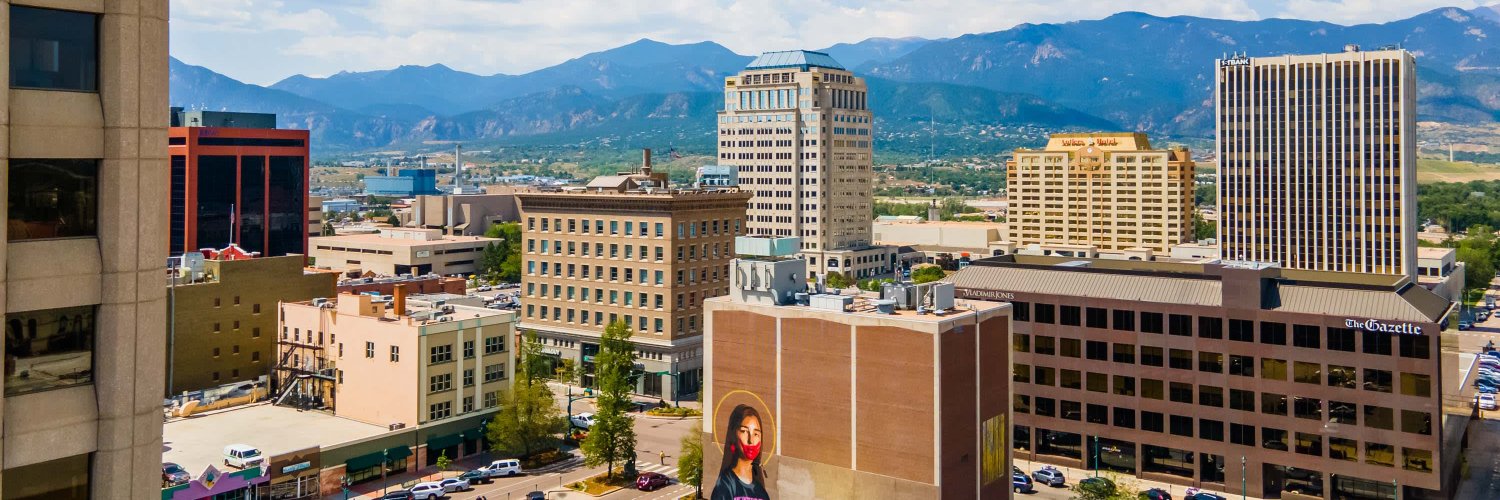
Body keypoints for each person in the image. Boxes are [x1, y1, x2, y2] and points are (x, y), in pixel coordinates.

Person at [711, 404, 771, 500]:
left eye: (756, 434)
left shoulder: (761, 492)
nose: (750, 440)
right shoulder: (725, 485)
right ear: (733, 435)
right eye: (744, 431)